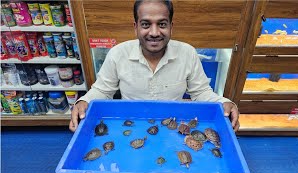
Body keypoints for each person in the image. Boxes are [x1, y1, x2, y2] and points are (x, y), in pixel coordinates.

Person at [69, 0, 240, 132]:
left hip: (173, 125)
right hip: (130, 123)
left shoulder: (187, 53)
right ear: (135, 27)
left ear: (171, 27)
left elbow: (201, 92)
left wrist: (225, 102)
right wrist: (83, 101)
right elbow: (103, 90)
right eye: (145, 24)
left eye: (162, 24)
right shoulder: (117, 54)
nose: (154, 32)